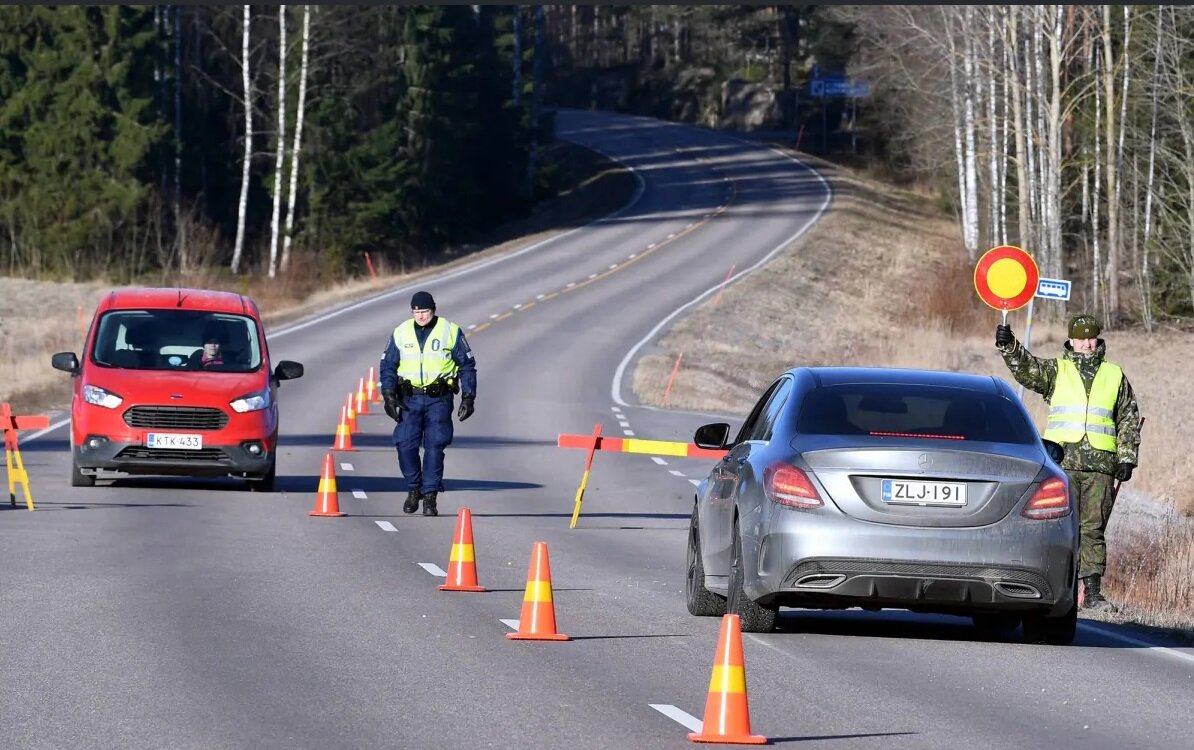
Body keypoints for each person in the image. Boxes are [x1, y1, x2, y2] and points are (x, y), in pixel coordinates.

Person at [995, 314, 1143, 611]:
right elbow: (1028, 371)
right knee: (1060, 528)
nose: (1087, 343)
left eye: (1092, 338)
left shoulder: (1114, 375)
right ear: (1071, 340)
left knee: (1093, 529)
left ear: (1098, 339)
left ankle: (1093, 593)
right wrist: (1008, 345)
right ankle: (1059, 587)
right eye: (1081, 338)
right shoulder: (1057, 370)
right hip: (1062, 465)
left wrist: (1127, 458)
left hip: (1102, 465)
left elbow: (1127, 417)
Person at [379, 291, 477, 517]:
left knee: (435, 446)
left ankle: (430, 496)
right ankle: (414, 488)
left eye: (424, 311)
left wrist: (468, 396)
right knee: (405, 444)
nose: (421, 316)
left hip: (438, 399)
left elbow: (467, 365)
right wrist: (388, 395)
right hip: (409, 399)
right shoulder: (401, 332)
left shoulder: (450, 331)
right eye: (416, 312)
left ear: (433, 309)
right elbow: (388, 366)